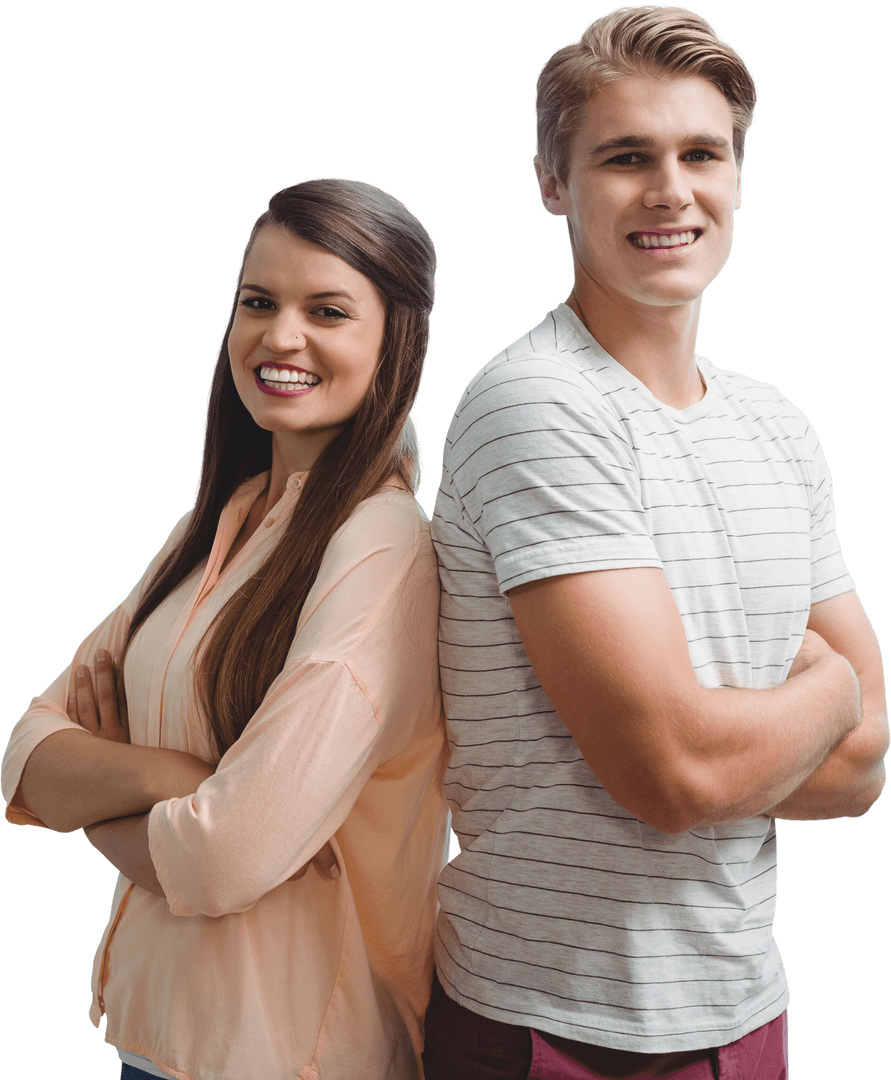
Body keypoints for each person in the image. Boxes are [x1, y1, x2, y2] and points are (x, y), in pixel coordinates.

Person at [424, 6, 888, 1080]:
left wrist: (756, 738)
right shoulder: (536, 404)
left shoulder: (776, 425)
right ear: (553, 183)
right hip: (550, 1029)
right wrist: (820, 695)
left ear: (738, 178)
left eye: (701, 154)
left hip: (744, 1013)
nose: (671, 189)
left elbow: (869, 766)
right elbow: (671, 773)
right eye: (626, 156)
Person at [1, 177, 449, 1080]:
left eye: (328, 310)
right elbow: (27, 755)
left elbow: (225, 856)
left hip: (292, 1058)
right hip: (159, 1045)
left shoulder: (383, 545)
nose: (280, 337)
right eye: (258, 302)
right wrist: (174, 779)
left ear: (394, 339)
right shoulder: (215, 521)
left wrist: (97, 804)